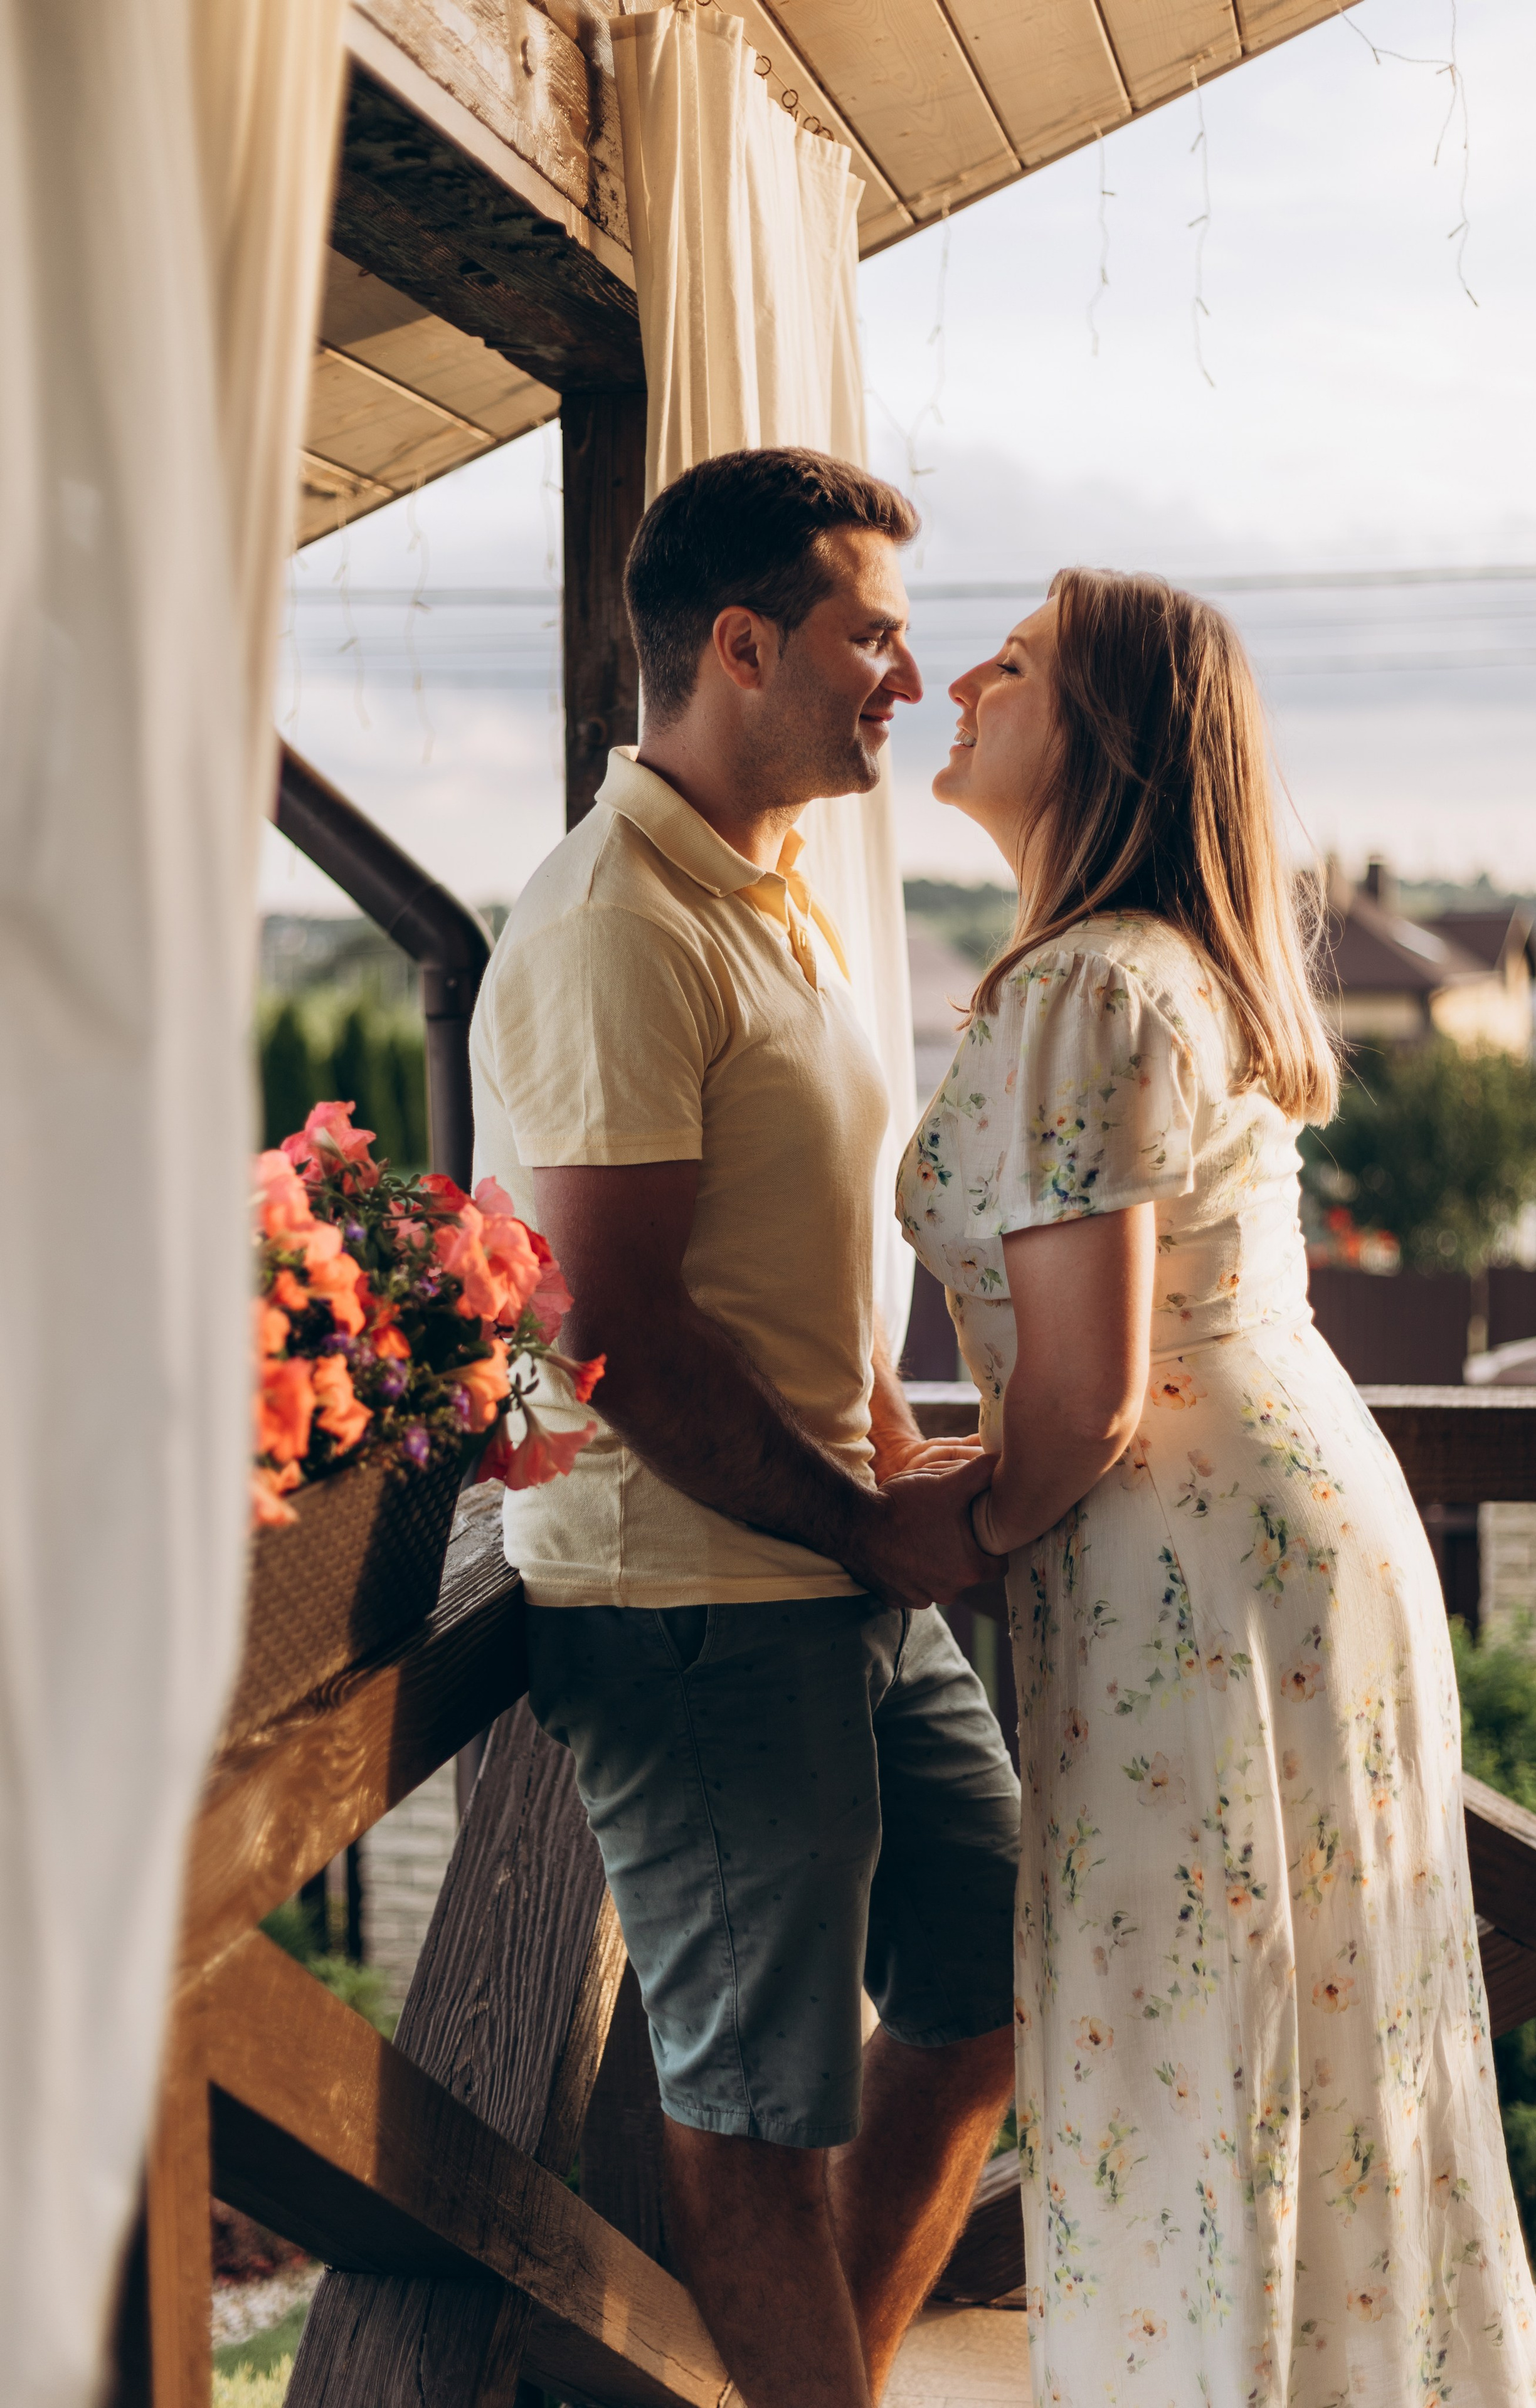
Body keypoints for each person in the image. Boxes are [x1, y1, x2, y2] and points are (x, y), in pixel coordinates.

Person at [898, 569, 1536, 2408]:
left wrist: (940, 1526)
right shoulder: (1165, 969)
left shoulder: (1084, 983)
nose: (961, 678)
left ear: (1100, 734)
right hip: (1281, 1542)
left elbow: (1091, 1394)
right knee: (1311, 2031)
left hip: (1190, 1579)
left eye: (1017, 663)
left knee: (1187, 2035)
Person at [470, 448, 1020, 2408]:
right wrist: (868, 1528)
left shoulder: (771, 895)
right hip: (695, 1602)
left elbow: (791, 1274)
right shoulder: (618, 922)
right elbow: (615, 1324)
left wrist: (894, 1456)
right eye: (870, 636)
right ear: (741, 642)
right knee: (755, 2110)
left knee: (995, 1968)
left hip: (822, 1558)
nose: (904, 673)